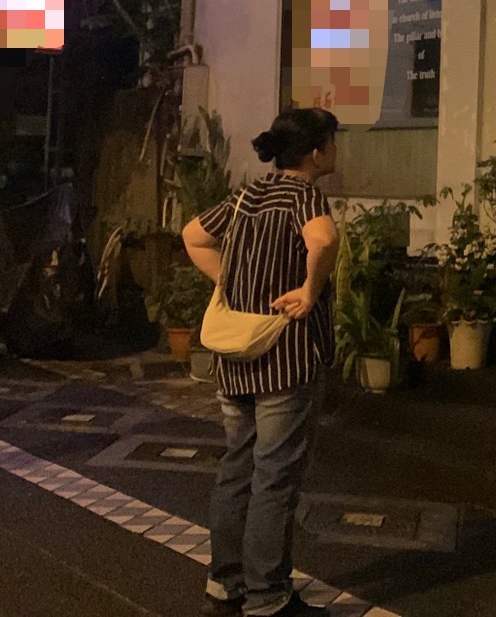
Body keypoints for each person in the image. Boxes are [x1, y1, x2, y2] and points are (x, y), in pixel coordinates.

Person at [183, 108, 341, 617]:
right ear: (315, 152)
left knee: (237, 469)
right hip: (285, 359)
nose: (335, 150)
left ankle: (224, 586)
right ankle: (268, 598)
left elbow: (193, 235)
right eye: (332, 141)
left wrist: (229, 281)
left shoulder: (248, 196)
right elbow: (325, 240)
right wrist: (309, 291)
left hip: (235, 357)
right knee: (274, 478)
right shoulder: (304, 195)